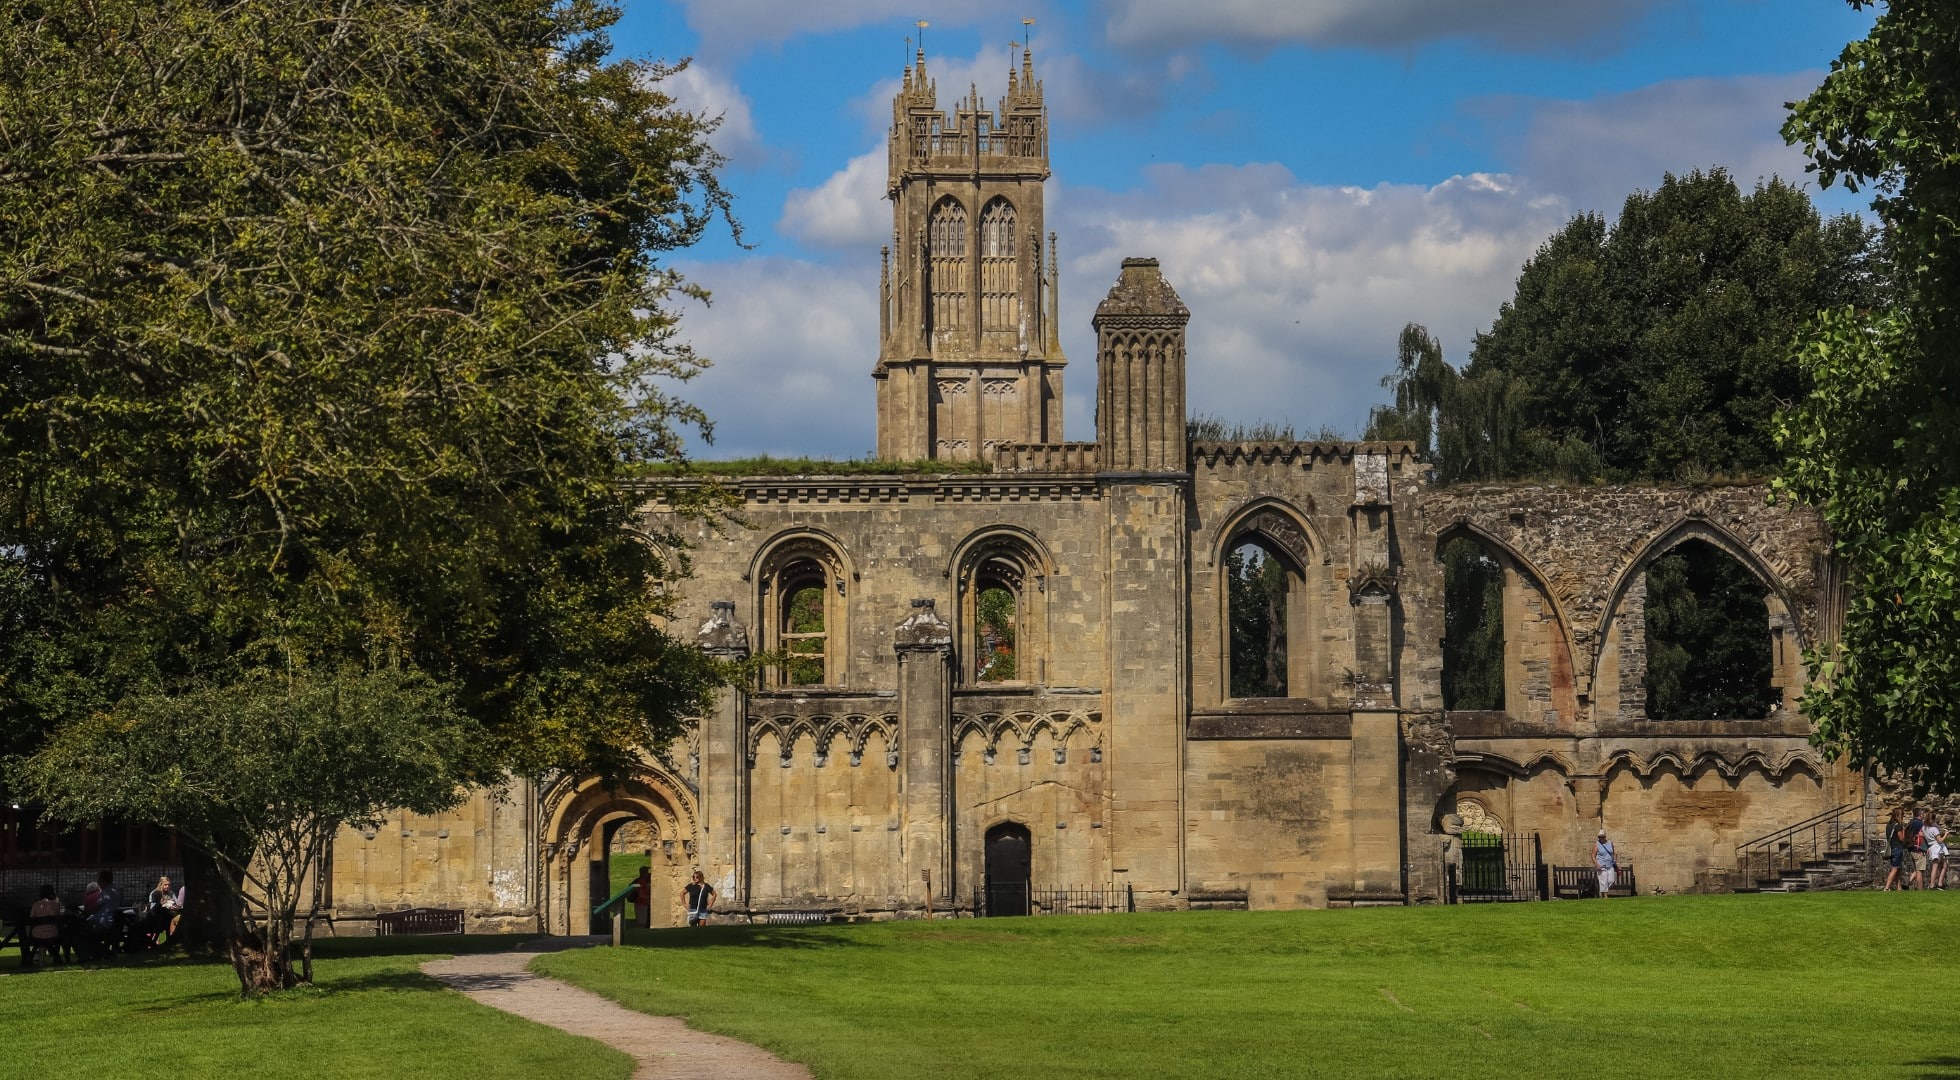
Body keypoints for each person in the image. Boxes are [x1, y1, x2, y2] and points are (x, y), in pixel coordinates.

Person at [27, 884, 63, 966]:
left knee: (38, 939)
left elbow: (32, 919)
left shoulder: (36, 904)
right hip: (52, 933)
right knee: (55, 936)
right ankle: (56, 957)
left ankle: (31, 957)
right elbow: (58, 916)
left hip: (37, 934)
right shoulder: (54, 904)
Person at [1906, 808, 1931, 891]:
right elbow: (1922, 836)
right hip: (1918, 849)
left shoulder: (1912, 822)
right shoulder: (1919, 824)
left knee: (1916, 869)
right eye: (1923, 813)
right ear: (1920, 814)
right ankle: (1920, 890)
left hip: (1911, 848)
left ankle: (1908, 883)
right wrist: (1924, 848)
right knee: (1920, 870)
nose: (1924, 815)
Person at [1884, 807, 1908, 891]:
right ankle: (1887, 887)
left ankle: (1899, 887)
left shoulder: (1888, 825)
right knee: (1894, 868)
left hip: (1891, 848)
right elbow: (1901, 838)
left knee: (1898, 868)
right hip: (1897, 848)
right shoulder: (1898, 826)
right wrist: (1904, 831)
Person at [1593, 829, 1618, 898]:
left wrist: (1615, 861)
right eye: (1599, 837)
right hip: (1601, 865)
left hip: (1610, 865)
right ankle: (1605, 896)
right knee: (1603, 881)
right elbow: (1593, 855)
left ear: (1605, 837)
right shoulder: (1596, 844)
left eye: (1602, 837)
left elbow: (1613, 853)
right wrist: (1597, 864)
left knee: (1611, 880)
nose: (1601, 838)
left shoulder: (1610, 843)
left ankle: (1602, 892)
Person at [1929, 811, 1948, 891]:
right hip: (1936, 848)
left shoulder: (1926, 827)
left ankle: (1940, 884)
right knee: (1935, 867)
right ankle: (1932, 885)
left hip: (1935, 847)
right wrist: (1946, 834)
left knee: (1944, 865)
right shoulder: (1933, 828)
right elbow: (1940, 840)